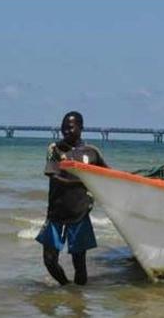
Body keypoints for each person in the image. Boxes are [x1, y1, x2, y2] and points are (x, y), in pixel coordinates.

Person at [36, 111, 107, 285]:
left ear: (81, 128)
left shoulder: (92, 152)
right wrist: (80, 182)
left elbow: (108, 175)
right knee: (50, 260)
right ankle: (66, 287)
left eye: (71, 127)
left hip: (80, 214)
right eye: (64, 127)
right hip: (56, 214)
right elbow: (53, 176)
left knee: (79, 264)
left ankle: (78, 302)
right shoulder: (55, 149)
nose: (66, 131)